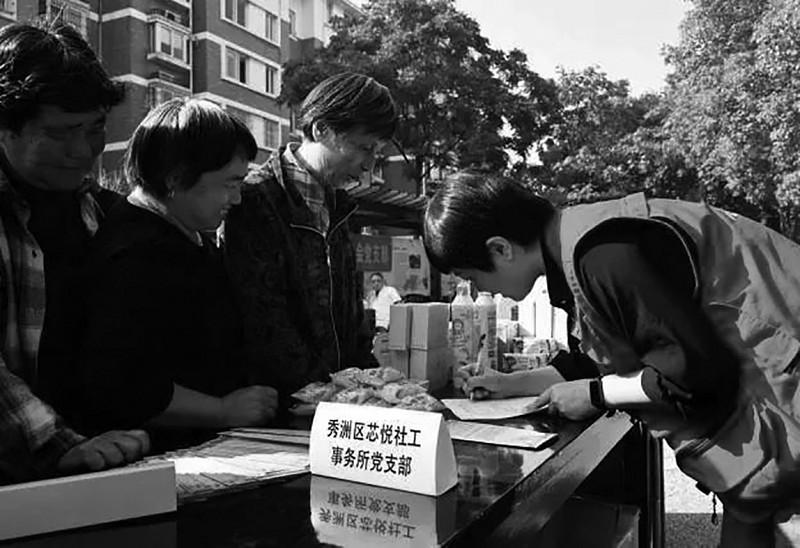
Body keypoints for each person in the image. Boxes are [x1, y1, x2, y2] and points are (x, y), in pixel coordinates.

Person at [423, 171, 800, 547]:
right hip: (768, 424)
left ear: (500, 248)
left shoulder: (604, 255)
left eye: (469, 275)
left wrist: (597, 394)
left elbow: (691, 376)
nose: (476, 289)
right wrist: (508, 383)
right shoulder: (576, 244)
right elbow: (608, 356)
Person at [76, 98, 278, 450]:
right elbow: (120, 381)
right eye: (230, 184)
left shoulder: (187, 234)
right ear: (176, 177)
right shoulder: (134, 254)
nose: (237, 199)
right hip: (163, 458)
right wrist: (221, 410)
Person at [0, 22, 150, 484]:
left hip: (101, 466)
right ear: (5, 127)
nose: (84, 150)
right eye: (61, 132)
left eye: (96, 127)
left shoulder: (101, 212)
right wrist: (58, 444)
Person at [224, 72, 396, 402]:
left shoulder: (339, 207)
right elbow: (264, 321)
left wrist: (373, 386)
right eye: (364, 148)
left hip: (337, 405)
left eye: (377, 151)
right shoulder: (254, 200)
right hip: (280, 408)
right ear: (321, 129)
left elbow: (352, 319)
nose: (368, 165)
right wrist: (328, 393)